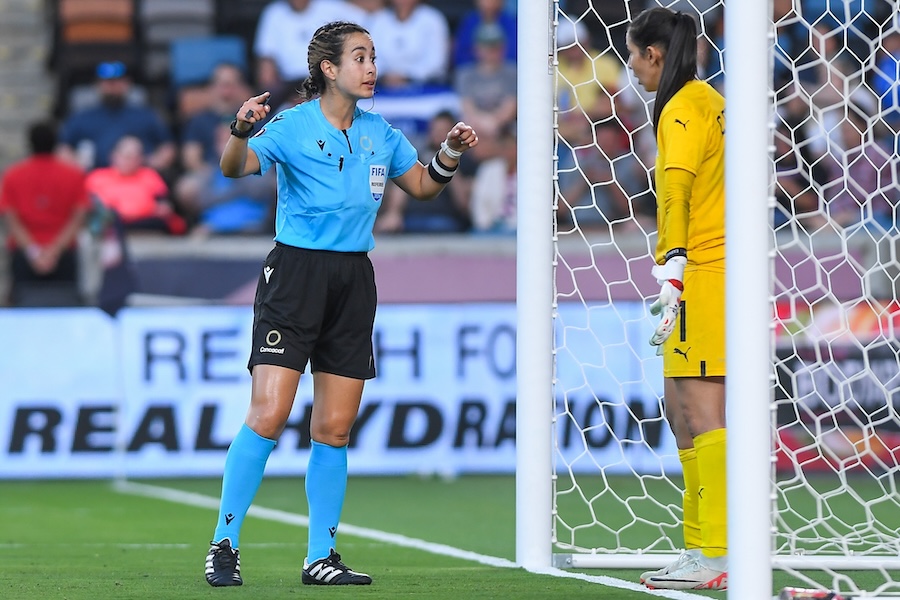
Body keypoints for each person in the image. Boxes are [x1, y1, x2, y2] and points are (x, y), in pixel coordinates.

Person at [204, 20, 478, 587]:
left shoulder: (383, 132)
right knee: (270, 415)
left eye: (373, 56)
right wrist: (238, 130)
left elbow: (424, 187)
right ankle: (223, 542)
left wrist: (449, 154)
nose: (371, 66)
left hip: (354, 278)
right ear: (329, 69)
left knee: (334, 427)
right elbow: (233, 169)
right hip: (295, 275)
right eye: (359, 57)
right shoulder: (291, 126)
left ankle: (319, 557)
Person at [625, 8, 728, 590]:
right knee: (677, 407)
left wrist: (674, 269)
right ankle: (700, 547)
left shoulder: (684, 106)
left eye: (634, 54)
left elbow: (678, 192)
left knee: (701, 412)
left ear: (654, 54)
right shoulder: (705, 100)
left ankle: (717, 549)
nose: (631, 66)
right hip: (703, 267)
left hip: (704, 269)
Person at [0, 121, 90, 306]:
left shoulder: (13, 175)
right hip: (63, 254)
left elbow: (11, 219)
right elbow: (78, 217)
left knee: (23, 312)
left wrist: (35, 252)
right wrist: (54, 251)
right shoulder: (73, 174)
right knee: (66, 309)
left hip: (25, 254)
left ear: (29, 143)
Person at [58, 61, 176, 173]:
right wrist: (76, 165)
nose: (113, 86)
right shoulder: (81, 117)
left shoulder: (146, 115)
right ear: (98, 84)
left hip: (138, 180)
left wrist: (153, 163)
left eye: (117, 81)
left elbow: (167, 147)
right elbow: (63, 149)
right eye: (108, 82)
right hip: (93, 179)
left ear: (127, 83)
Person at [253, 0, 366, 100]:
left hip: (328, 78)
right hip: (290, 85)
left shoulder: (333, 8)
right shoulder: (274, 13)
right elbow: (266, 63)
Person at [85, 136, 186, 235]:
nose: (130, 161)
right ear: (114, 156)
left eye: (136, 157)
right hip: (110, 223)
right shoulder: (96, 177)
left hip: (146, 222)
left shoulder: (149, 175)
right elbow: (86, 204)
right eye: (127, 156)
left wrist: (163, 208)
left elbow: (164, 202)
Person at [367, 0, 450, 89]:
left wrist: (408, 76)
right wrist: (385, 75)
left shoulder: (433, 19)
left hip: (426, 88)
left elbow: (436, 62)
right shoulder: (377, 19)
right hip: (382, 87)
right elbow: (370, 55)